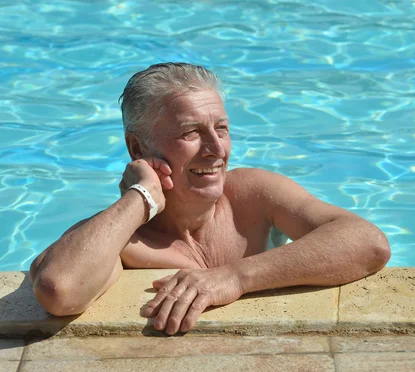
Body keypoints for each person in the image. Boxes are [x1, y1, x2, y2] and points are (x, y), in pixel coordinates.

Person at [30, 63, 391, 335]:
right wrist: (138, 199)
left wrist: (234, 277)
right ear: (137, 147)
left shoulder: (252, 195)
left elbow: (369, 244)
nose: (217, 150)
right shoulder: (124, 239)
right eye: (191, 132)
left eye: (221, 128)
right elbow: (59, 290)